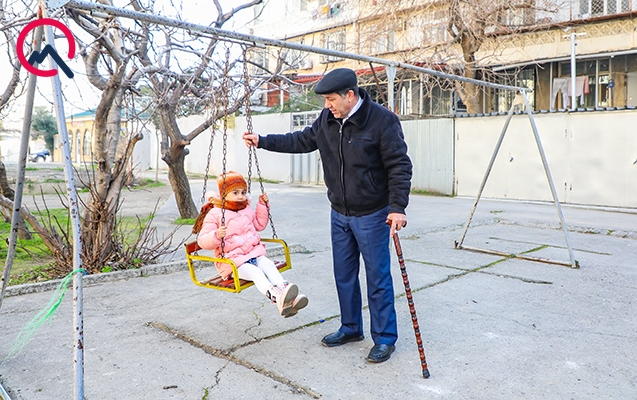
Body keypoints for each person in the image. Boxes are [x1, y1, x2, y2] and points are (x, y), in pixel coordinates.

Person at [243, 68, 412, 363]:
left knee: (378, 278)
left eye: (331, 99)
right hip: (339, 213)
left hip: (373, 214)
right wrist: (262, 140)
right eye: (325, 101)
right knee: (344, 276)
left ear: (350, 95)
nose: (327, 106)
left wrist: (397, 207)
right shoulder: (327, 120)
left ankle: (385, 338)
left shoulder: (382, 121)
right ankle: (350, 328)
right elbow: (301, 140)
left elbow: (400, 165)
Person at [194, 171, 308, 317]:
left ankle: (287, 295)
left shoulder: (246, 209)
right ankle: (279, 297)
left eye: (243, 192)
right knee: (256, 273)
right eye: (235, 192)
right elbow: (202, 240)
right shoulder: (215, 214)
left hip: (253, 253)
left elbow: (259, 225)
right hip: (233, 262)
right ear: (223, 194)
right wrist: (216, 235)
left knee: (268, 264)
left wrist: (262, 205)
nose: (241, 196)